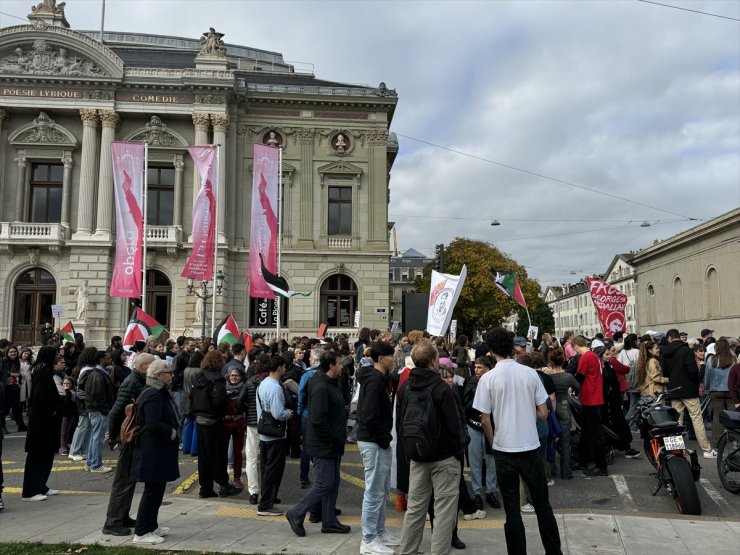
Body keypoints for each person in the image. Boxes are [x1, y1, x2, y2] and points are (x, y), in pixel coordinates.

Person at [473, 328, 562, 555]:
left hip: (504, 448)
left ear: (491, 351)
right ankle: (554, 552)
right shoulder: (530, 374)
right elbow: (543, 411)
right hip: (530, 446)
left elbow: (484, 418)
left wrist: (493, 442)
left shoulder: (488, 379)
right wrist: (526, 412)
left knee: (512, 510)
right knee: (543, 505)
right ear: (513, 347)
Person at [397, 340, 467, 555]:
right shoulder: (441, 388)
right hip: (444, 457)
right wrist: (460, 449)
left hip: (417, 455)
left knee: (415, 509)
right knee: (444, 512)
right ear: (433, 361)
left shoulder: (405, 387)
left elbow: (400, 423)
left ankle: (407, 551)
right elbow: (454, 427)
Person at [285, 350, 350, 537]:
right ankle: (296, 512)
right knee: (324, 483)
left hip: (332, 443)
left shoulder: (329, 382)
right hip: (324, 444)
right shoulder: (321, 386)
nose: (341, 366)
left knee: (333, 482)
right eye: (339, 363)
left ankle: (329, 520)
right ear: (331, 365)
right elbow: (318, 419)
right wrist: (332, 438)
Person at [102, 352, 155, 536]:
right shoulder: (133, 382)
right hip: (127, 437)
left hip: (130, 436)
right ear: (142, 367)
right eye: (151, 365)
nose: (154, 368)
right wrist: (115, 436)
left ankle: (122, 516)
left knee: (130, 479)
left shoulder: (139, 380)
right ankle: (113, 522)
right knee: (123, 481)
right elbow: (116, 411)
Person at [355, 341, 399, 554]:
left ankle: (379, 531)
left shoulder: (379, 378)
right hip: (373, 441)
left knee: (380, 490)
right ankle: (369, 539)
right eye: (391, 356)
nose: (394, 359)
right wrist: (383, 438)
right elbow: (369, 416)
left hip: (376, 440)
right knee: (373, 491)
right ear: (381, 359)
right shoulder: (374, 382)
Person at [131, 359, 180, 545]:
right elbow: (152, 424)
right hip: (152, 450)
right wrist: (172, 433)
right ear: (158, 376)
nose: (171, 375)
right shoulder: (152, 394)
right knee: (152, 491)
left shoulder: (158, 391)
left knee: (157, 489)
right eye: (168, 372)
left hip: (158, 450)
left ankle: (151, 525)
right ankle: (142, 532)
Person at [191, 351, 240, 498]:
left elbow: (191, 396)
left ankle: (205, 488)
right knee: (218, 455)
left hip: (200, 419)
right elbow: (219, 401)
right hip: (214, 421)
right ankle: (223, 486)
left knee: (204, 456)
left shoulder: (198, 377)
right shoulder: (218, 380)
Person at [661, 329, 716, 458]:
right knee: (696, 418)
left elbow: (665, 372)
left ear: (669, 338)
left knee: (677, 421)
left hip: (674, 389)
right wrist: (694, 381)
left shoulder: (665, 352)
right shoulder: (686, 350)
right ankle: (707, 450)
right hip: (689, 390)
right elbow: (692, 370)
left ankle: (676, 450)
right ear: (678, 337)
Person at [21, 346, 62, 502]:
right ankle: (30, 490)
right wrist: (53, 409)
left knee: (47, 454)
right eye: (56, 354)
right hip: (42, 421)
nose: (58, 356)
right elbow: (41, 397)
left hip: (46, 421)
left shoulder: (44, 370)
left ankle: (41, 485)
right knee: (38, 455)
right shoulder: (42, 372)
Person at [256, 355, 293, 516]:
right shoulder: (276, 387)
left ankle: (268, 498)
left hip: (265, 432)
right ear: (278, 368)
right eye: (284, 367)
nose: (285, 370)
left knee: (266, 468)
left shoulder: (263, 383)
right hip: (276, 434)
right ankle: (265, 505)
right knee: (273, 470)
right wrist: (288, 413)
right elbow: (278, 413)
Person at [462, 356, 501, 508]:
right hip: (474, 426)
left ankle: (491, 491)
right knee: (475, 461)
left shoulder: (494, 381)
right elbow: (465, 404)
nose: (476, 370)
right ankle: (477, 493)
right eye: (475, 367)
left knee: (491, 461)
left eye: (480, 367)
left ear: (488, 368)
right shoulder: (471, 382)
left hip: (490, 426)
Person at [573, 336, 608, 476]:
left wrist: (571, 387)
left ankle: (602, 467)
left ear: (576, 346)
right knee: (587, 432)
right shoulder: (593, 356)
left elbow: (579, 378)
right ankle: (583, 460)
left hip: (590, 398)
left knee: (596, 433)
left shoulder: (586, 357)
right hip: (593, 397)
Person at [544, 348, 579, 479]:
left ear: (550, 361)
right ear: (563, 360)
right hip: (564, 406)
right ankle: (566, 471)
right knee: (565, 442)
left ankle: (552, 469)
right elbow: (578, 387)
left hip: (550, 407)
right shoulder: (568, 377)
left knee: (551, 439)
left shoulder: (547, 376)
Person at [85, 350, 115, 473]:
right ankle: (96, 465)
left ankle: (91, 462)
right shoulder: (97, 375)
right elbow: (97, 395)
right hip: (98, 410)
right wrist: (105, 410)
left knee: (95, 436)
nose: (110, 360)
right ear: (101, 360)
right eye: (107, 358)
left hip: (96, 410)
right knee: (99, 437)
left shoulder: (99, 373)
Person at [704, 337, 735, 448]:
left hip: (716, 391)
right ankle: (735, 439)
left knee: (717, 416)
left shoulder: (711, 359)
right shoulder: (733, 359)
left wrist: (707, 389)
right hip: (732, 391)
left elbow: (707, 376)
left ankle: (716, 441)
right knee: (733, 415)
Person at [224, 368, 246, 489]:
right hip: (226, 424)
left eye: (236, 375)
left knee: (238, 452)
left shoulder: (244, 389)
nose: (234, 377)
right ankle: (223, 479)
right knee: (223, 452)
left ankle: (237, 477)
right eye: (232, 375)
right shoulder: (223, 388)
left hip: (239, 424)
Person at [181, 351, 204, 457]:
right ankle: (194, 449)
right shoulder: (200, 371)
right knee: (196, 424)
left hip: (185, 399)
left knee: (188, 423)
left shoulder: (186, 370)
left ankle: (186, 447)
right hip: (196, 400)